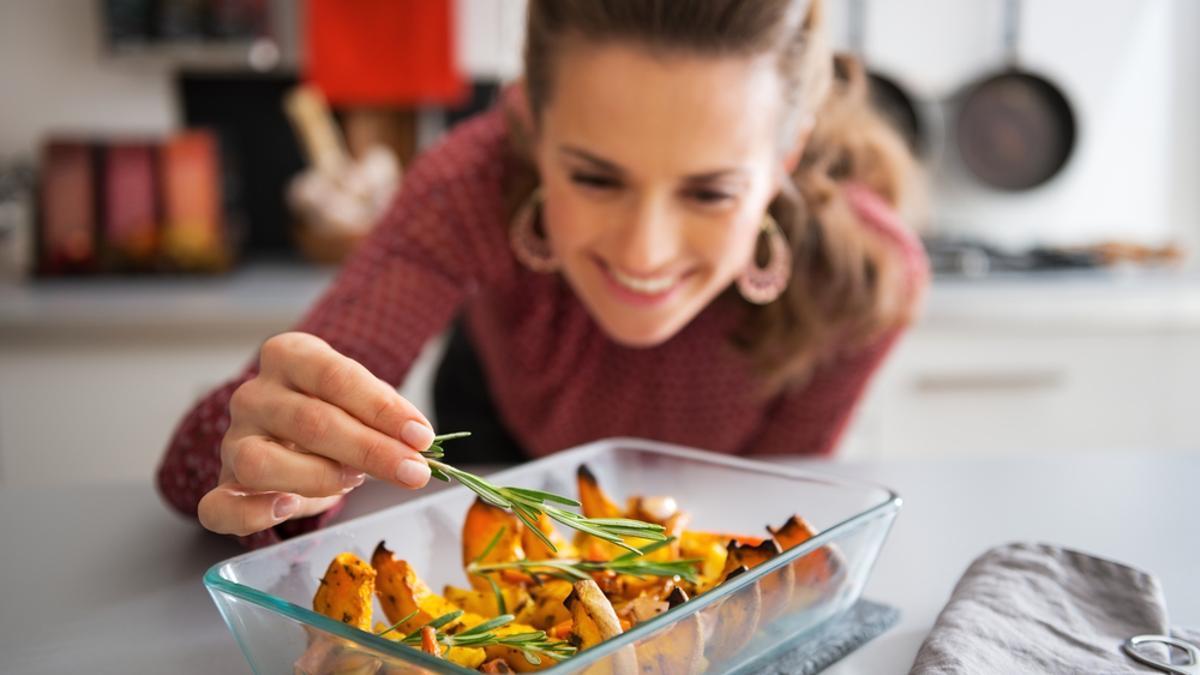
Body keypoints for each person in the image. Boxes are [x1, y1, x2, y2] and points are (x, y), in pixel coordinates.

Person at [157, 0, 928, 549]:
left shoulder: (865, 279)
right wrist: (265, 461)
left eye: (709, 190)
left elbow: (768, 533)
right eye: (595, 178)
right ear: (530, 124)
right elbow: (199, 464)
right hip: (499, 430)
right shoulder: (470, 183)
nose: (645, 251)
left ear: (782, 162)